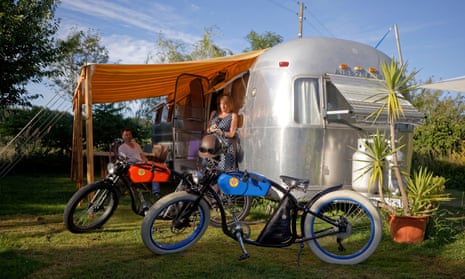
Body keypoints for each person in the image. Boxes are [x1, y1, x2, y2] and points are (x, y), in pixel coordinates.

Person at [118, 128, 160, 196]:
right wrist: (137, 163)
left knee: (155, 169)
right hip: (133, 167)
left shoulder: (136, 145)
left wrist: (146, 161)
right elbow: (124, 160)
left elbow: (142, 155)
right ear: (122, 137)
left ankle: (156, 191)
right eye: (126, 135)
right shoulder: (121, 148)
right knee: (135, 161)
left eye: (129, 134)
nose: (128, 136)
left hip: (142, 165)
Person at [206, 95, 238, 171]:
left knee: (224, 172)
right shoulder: (214, 113)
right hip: (212, 146)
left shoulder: (233, 115)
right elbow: (207, 130)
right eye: (221, 104)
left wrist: (222, 133)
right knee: (210, 171)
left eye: (225, 104)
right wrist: (210, 129)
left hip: (224, 148)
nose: (223, 106)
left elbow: (232, 134)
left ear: (230, 104)